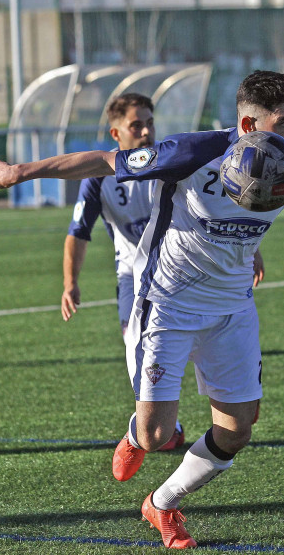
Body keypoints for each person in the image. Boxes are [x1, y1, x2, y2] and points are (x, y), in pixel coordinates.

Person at [0, 70, 284, 548]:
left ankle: (162, 504)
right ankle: (135, 434)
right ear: (250, 126)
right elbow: (105, 160)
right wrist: (19, 172)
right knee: (155, 434)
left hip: (232, 310)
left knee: (238, 429)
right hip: (167, 304)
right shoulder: (193, 152)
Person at [62, 93, 186, 452]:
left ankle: (232, 405)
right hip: (133, 274)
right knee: (137, 344)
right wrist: (70, 283)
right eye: (137, 125)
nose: (146, 132)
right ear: (116, 135)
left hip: (182, 267)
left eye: (150, 122)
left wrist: (249, 251)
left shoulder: (172, 161)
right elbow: (78, 233)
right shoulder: (99, 179)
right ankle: (162, 425)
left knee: (197, 342)